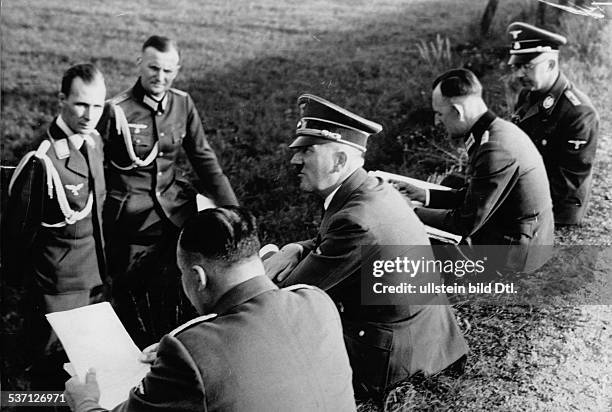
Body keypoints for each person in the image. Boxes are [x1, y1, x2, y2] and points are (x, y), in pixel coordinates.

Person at [265, 94, 468, 397]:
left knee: (274, 340)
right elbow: (336, 242)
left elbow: (288, 301)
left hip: (388, 359)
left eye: (307, 151)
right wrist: (295, 247)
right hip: (424, 336)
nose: (295, 160)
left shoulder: (356, 219)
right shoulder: (372, 190)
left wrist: (266, 257)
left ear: (339, 160)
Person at [64, 206, 356, 412]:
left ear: (197, 277)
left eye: (182, 273)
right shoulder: (317, 301)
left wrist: (85, 402)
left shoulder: (189, 352)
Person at [97, 35, 239, 348]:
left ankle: (177, 343)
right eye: (153, 68)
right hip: (130, 219)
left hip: (175, 211)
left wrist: (234, 212)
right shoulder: (116, 111)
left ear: (177, 70)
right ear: (139, 64)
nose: (160, 77)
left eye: (168, 71)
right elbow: (96, 170)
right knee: (123, 294)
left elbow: (204, 159)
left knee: (182, 287)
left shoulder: (182, 102)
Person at [6, 63, 107, 390]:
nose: (89, 114)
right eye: (80, 104)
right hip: (56, 286)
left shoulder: (93, 142)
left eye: (97, 105)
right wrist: (28, 286)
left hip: (92, 275)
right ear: (61, 99)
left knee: (77, 363)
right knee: (43, 365)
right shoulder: (43, 159)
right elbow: (17, 233)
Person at [396, 69, 554, 273]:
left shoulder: (494, 148)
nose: (437, 121)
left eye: (439, 114)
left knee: (402, 245)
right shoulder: (498, 130)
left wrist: (410, 211)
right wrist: (424, 195)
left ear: (457, 111)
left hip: (514, 257)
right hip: (525, 238)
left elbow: (464, 223)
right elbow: (476, 194)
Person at [507, 22, 599, 226]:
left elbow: (567, 182)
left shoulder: (578, 112)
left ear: (550, 64)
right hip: (527, 184)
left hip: (557, 207)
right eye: (517, 66)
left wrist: (508, 197)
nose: (519, 75)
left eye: (527, 67)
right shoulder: (528, 95)